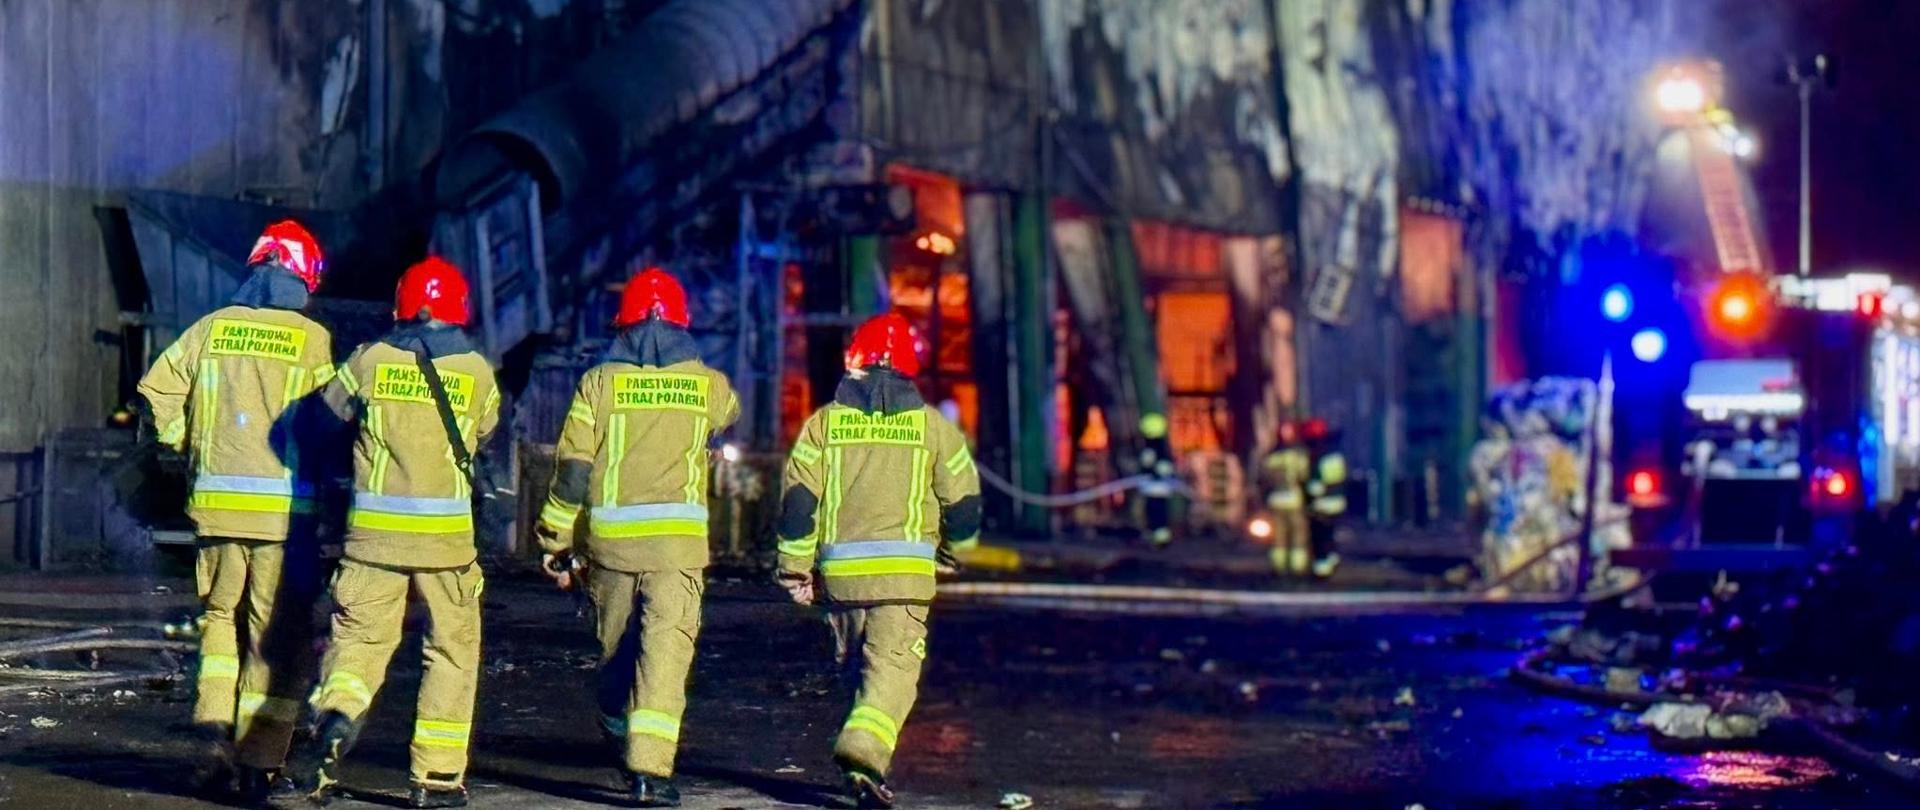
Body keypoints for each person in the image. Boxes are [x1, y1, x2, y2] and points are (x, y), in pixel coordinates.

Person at [287, 257, 502, 809]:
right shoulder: (478, 371)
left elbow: (319, 422)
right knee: (451, 654)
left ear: (401, 305)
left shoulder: (369, 361)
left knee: (357, 646)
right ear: (458, 309)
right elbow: (484, 435)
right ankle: (435, 778)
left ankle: (334, 721)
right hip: (447, 547)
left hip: (373, 541)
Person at [137, 220, 334, 802]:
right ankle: (260, 761)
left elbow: (156, 394)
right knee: (277, 638)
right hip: (283, 518)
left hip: (216, 511)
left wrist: (183, 441)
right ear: (301, 276)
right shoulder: (311, 339)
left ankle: (212, 727)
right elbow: (327, 427)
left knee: (220, 620)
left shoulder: (210, 328)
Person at [533, 267, 739, 806]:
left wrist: (555, 538)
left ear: (621, 326)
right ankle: (650, 771)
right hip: (677, 549)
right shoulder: (709, 386)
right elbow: (727, 413)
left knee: (616, 653)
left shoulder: (598, 384)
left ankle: (619, 728)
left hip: (611, 548)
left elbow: (573, 469)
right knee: (664, 654)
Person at [774, 312, 981, 808]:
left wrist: (794, 568)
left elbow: (799, 502)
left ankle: (860, 769)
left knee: (856, 674)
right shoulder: (934, 429)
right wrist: (954, 554)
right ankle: (863, 754)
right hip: (903, 581)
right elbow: (966, 505)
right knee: (890, 674)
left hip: (842, 581)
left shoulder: (825, 423)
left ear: (855, 364)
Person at [1260, 421, 1312, 576]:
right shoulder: (1298, 456)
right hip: (1294, 501)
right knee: (1298, 536)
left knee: (1278, 538)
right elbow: (1304, 477)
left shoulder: (1271, 457)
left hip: (1276, 501)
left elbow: (1263, 479)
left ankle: (1279, 567)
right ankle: (1297, 568)